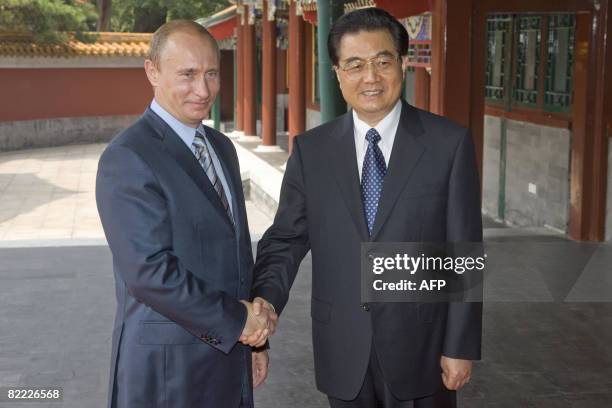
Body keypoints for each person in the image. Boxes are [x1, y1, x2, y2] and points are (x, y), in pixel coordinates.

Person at [252, 8, 482, 408]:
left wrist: (460, 345)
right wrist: (265, 302)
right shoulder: (312, 151)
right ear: (338, 73)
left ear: (403, 64)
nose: (370, 77)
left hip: (423, 350)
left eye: (382, 61)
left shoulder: (448, 144)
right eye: (355, 65)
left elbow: (462, 251)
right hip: (342, 346)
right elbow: (286, 239)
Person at [96, 20, 275, 408]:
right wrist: (238, 321)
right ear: (152, 72)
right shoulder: (129, 157)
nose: (203, 89)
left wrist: (256, 342)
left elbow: (237, 256)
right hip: (168, 374)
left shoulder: (221, 147)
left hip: (231, 359)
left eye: (211, 73)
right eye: (188, 75)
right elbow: (149, 273)